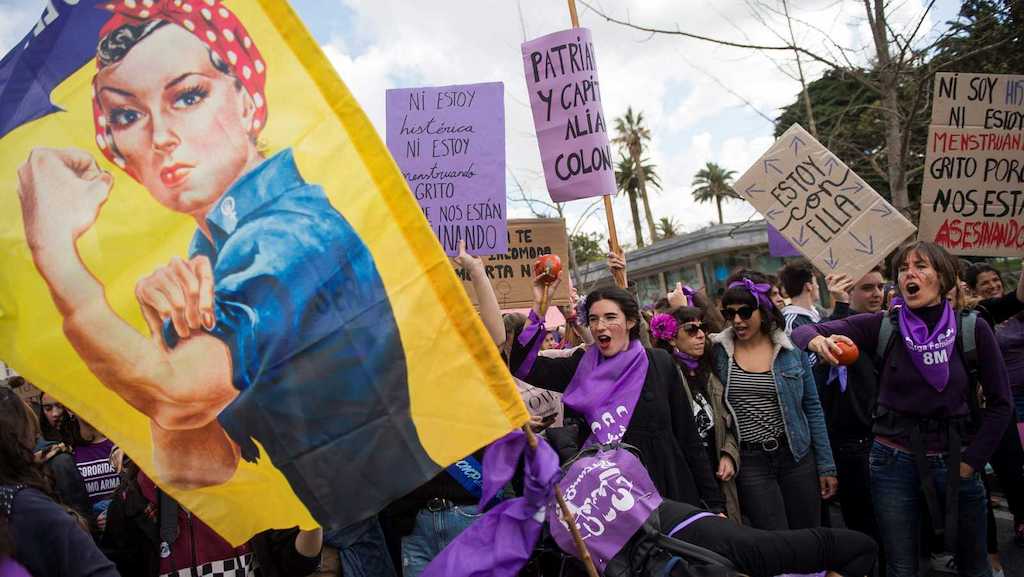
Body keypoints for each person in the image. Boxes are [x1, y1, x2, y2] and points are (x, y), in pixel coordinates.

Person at [14, 0, 424, 528]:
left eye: (187, 95)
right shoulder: (212, 253)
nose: (159, 136)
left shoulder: (290, 233)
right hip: (342, 532)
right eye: (127, 114)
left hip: (395, 533)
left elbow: (177, 396)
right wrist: (161, 335)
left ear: (249, 99)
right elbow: (195, 465)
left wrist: (53, 254)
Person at [793, 241, 1012, 577]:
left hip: (958, 458)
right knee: (901, 564)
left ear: (943, 276)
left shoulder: (971, 328)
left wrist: (972, 462)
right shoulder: (880, 325)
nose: (910, 273)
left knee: (975, 564)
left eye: (921, 266)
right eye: (903, 268)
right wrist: (815, 340)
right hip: (893, 462)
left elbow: (1001, 405)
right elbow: (802, 330)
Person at [511, 275, 726, 513]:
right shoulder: (580, 366)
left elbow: (688, 438)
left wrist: (714, 505)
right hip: (614, 501)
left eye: (610, 317)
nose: (600, 326)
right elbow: (523, 366)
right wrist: (539, 309)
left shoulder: (659, 362)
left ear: (631, 321)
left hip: (670, 488)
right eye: (593, 319)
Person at [709, 270, 837, 531]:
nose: (737, 320)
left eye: (745, 312)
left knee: (808, 536)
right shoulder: (719, 352)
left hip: (796, 456)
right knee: (775, 543)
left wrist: (826, 465)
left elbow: (812, 407)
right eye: (729, 313)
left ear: (763, 311)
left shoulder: (790, 350)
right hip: (751, 462)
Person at [0, 386, 120, 577]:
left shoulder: (61, 458)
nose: (55, 413)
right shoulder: (27, 496)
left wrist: (114, 513)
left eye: (59, 406)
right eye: (48, 408)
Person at [814, 267, 886, 567]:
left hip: (890, 442)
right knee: (865, 532)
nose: (877, 294)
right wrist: (838, 306)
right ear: (851, 292)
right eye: (867, 288)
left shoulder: (890, 327)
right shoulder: (833, 336)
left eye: (881, 286)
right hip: (852, 448)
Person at [651, 307, 742, 521]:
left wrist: (729, 454)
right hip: (687, 480)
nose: (700, 334)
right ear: (672, 339)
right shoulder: (664, 376)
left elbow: (728, 422)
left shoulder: (711, 373)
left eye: (703, 328)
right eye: (691, 329)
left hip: (719, 475)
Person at [779, 259, 823, 336]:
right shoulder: (792, 321)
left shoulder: (818, 311)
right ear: (808, 286)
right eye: (815, 282)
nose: (818, 286)